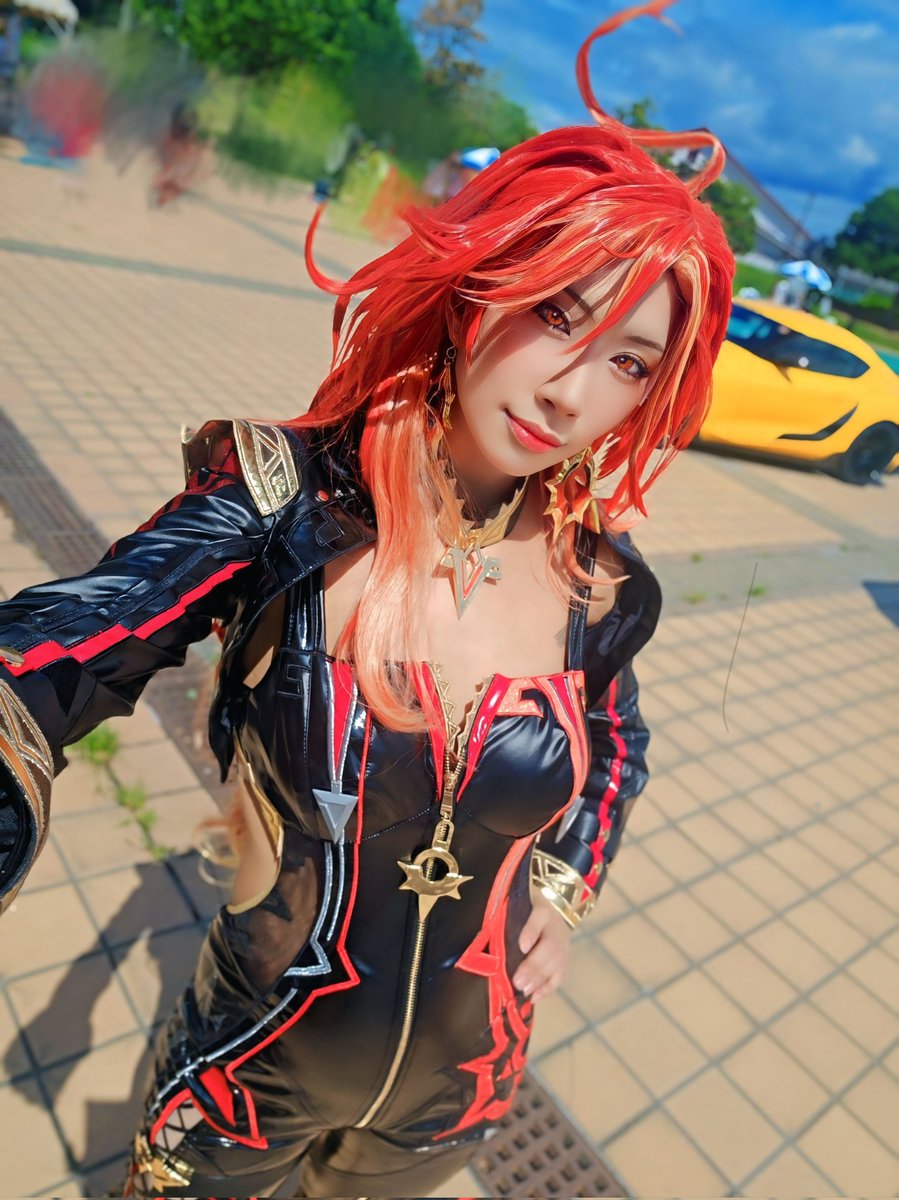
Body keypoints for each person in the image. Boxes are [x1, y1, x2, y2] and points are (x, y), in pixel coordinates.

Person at [0, 2, 734, 1195]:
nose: (570, 393)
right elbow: (54, 655)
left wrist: (562, 889)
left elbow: (615, 746)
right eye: (556, 311)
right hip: (245, 1075)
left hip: (462, 1092)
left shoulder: (596, 581)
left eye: (627, 362)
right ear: (482, 283)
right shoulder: (282, 502)